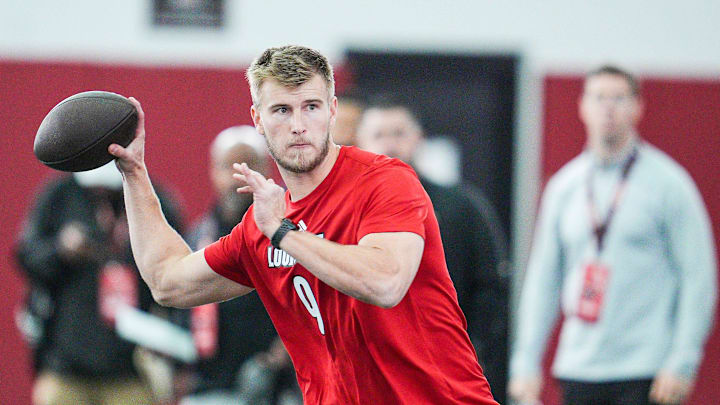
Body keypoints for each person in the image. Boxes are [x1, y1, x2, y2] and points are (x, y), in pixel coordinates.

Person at [107, 45, 497, 404]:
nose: (298, 125)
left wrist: (284, 233)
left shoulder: (384, 180)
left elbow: (384, 282)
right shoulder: (261, 226)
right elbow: (167, 280)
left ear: (332, 110)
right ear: (258, 118)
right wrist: (134, 172)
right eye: (281, 110)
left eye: (310, 106)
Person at [509, 65, 717, 405]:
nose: (608, 108)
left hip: (646, 371)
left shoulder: (668, 184)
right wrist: (525, 361)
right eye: (599, 97)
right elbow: (543, 280)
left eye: (619, 98)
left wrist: (683, 360)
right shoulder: (565, 186)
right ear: (582, 107)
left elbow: (698, 278)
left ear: (637, 108)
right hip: (579, 367)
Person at [355, 95, 510, 403]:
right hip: (367, 373)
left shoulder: (463, 208)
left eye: (399, 134)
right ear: (359, 142)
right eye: (378, 135)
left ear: (419, 138)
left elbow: (490, 292)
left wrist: (471, 353)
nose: (389, 144)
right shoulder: (343, 211)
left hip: (443, 371)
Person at [15, 162, 183, 405]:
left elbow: (178, 270)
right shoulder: (59, 196)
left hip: (132, 370)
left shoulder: (152, 198)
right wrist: (60, 250)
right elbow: (26, 256)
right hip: (65, 368)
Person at [179, 125, 300, 405]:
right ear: (212, 171)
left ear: (268, 170)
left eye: (249, 165)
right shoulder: (199, 235)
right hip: (210, 384)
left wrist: (279, 354)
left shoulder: (292, 229)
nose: (237, 177)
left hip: (277, 384)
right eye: (227, 167)